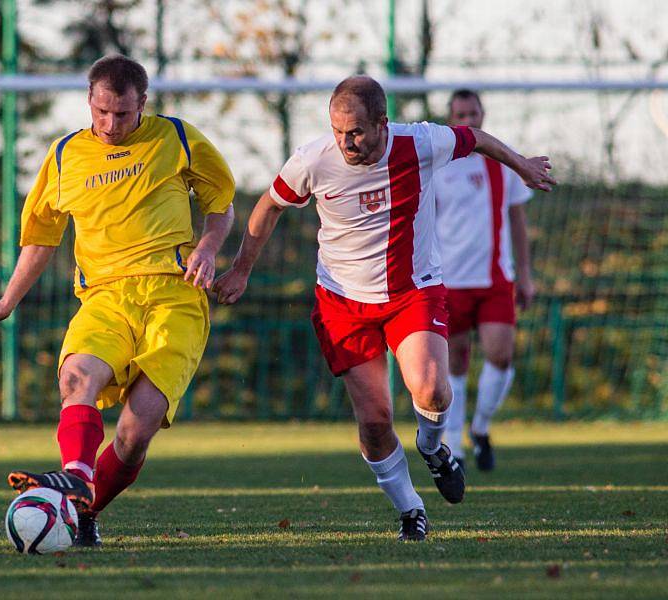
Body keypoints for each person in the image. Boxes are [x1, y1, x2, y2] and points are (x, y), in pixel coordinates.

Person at [214, 76, 554, 542]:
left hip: (413, 292)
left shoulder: (421, 142)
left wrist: (521, 166)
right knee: (374, 424)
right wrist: (240, 270)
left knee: (433, 391)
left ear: (382, 123)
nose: (345, 142)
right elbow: (269, 206)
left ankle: (434, 449)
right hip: (342, 303)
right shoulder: (314, 159)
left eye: (354, 132)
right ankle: (411, 510)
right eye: (337, 131)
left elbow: (476, 139)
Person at [0, 54, 235, 547]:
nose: (111, 124)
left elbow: (220, 204)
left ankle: (83, 510)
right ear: (89, 101)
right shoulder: (65, 155)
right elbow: (41, 239)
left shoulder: (177, 137)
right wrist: (7, 301)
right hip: (105, 298)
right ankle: (76, 477)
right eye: (102, 113)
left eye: (124, 114)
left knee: (137, 431)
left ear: (143, 105)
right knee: (76, 378)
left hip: (173, 298)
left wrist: (208, 248)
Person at [434, 90, 535, 472]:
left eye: (473, 113)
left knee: (501, 354)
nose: (468, 119)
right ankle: (454, 448)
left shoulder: (502, 163)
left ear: (483, 114)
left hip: (494, 278)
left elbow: (518, 221)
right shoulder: (438, 165)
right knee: (454, 363)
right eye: (460, 113)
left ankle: (481, 427)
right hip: (447, 281)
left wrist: (525, 275)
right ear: (451, 118)